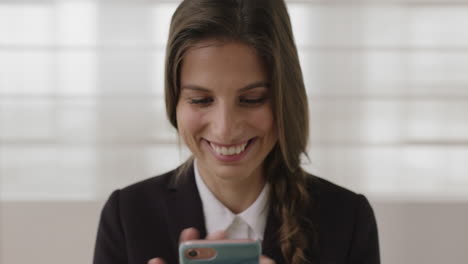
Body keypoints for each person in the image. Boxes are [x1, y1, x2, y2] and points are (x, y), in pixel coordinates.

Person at [93, 0, 380, 263]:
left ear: (285, 98)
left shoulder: (347, 219)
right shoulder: (128, 216)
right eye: (201, 100)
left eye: (252, 99)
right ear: (175, 101)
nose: (225, 128)